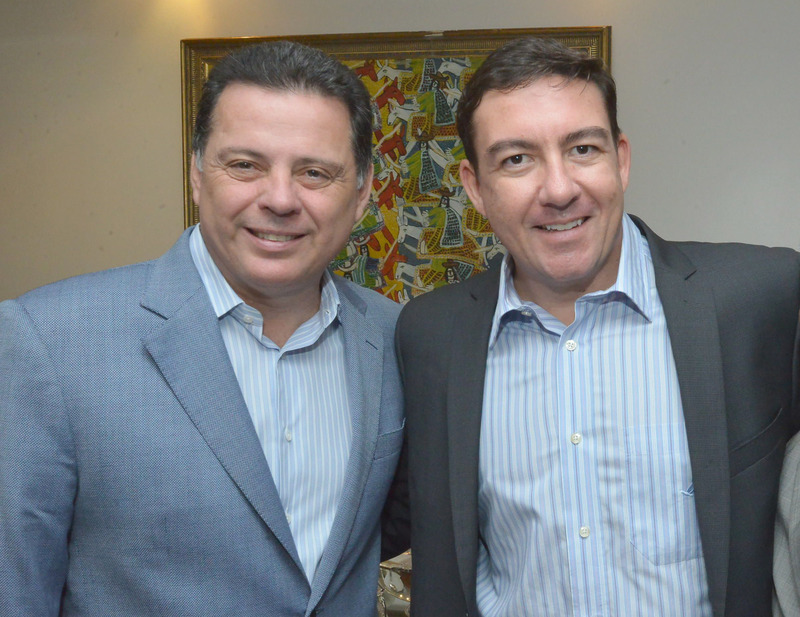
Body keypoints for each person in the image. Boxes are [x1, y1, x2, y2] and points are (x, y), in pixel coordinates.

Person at [394, 37, 800, 617]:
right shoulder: (430, 337)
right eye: (516, 159)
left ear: (621, 159)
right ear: (475, 187)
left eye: (582, 148)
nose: (560, 189)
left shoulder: (764, 297)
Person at [0, 41, 404, 617]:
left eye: (314, 172)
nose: (280, 199)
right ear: (196, 175)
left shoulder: (395, 337)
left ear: (362, 193)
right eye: (245, 165)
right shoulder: (50, 341)